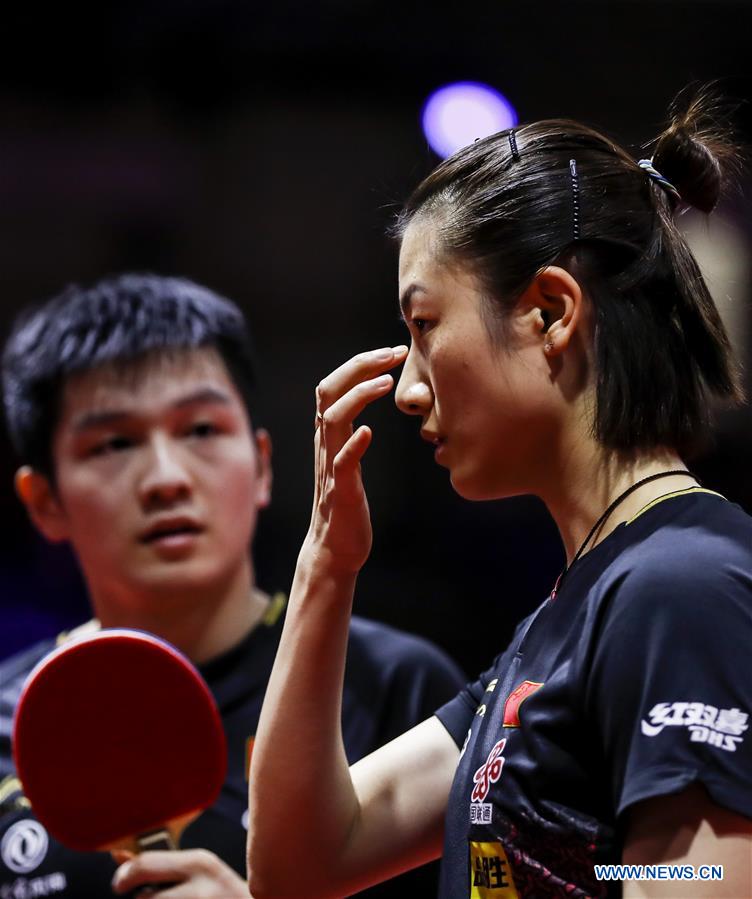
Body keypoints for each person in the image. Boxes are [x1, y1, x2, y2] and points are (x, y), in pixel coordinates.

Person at [246, 91, 752, 898]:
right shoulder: (565, 619)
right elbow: (302, 861)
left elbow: (707, 875)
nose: (409, 387)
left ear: (550, 312)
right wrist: (326, 566)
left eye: (423, 325)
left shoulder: (679, 585)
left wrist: (586, 859)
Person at [0, 273, 466, 898]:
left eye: (200, 430)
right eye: (114, 443)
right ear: (44, 501)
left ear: (263, 466)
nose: (166, 478)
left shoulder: (395, 687)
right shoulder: (10, 726)